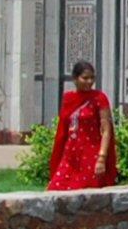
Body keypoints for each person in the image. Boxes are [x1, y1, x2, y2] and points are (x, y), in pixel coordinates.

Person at [48, 60, 120, 191]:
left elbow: (106, 130)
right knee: (57, 189)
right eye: (85, 78)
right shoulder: (68, 98)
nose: (89, 81)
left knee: (89, 193)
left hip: (91, 155)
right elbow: (63, 129)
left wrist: (102, 158)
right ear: (75, 79)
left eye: (92, 78)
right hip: (71, 155)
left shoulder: (99, 98)